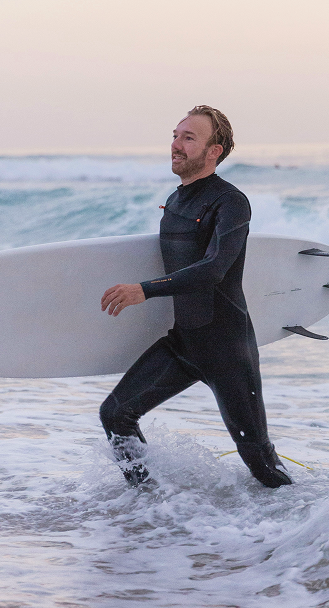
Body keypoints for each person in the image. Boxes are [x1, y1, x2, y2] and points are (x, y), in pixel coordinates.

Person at [99, 105, 292, 489]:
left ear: (213, 151)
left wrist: (145, 290)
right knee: (116, 415)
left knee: (259, 461)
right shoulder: (175, 200)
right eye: (175, 135)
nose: (176, 145)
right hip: (184, 343)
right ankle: (150, 508)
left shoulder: (230, 202)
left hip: (227, 349)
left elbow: (214, 268)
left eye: (189, 138)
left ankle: (307, 524)